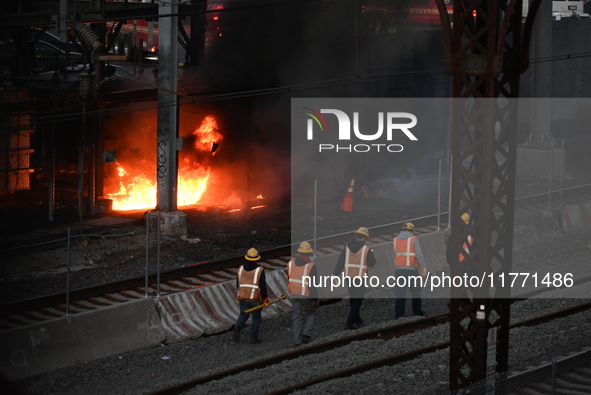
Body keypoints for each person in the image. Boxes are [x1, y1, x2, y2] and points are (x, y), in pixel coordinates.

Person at [334, 227, 377, 330]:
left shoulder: (347, 248)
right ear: (365, 237)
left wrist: (335, 274)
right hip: (359, 277)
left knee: (353, 298)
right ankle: (349, 322)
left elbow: (340, 262)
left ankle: (357, 319)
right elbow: (372, 263)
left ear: (356, 236)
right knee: (357, 299)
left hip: (348, 277)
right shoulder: (366, 249)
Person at [233, 247, 270, 344]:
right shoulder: (259, 270)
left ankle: (238, 327)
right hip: (255, 299)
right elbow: (262, 287)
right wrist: (265, 299)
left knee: (243, 314)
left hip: (243, 297)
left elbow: (238, 284)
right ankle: (254, 337)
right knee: (256, 318)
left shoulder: (240, 269)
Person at [287, 241, 319, 346]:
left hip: (294, 294)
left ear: (299, 252)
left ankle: (297, 341)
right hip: (305, 294)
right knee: (311, 312)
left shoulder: (291, 263)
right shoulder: (311, 266)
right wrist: (315, 299)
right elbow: (314, 284)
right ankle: (306, 335)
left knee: (297, 317)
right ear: (309, 253)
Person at [393, 222, 427, 319]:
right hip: (412, 270)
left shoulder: (395, 240)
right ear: (411, 230)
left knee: (400, 293)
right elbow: (419, 255)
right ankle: (417, 312)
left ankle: (399, 315)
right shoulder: (413, 239)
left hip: (399, 270)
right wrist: (424, 267)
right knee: (416, 292)